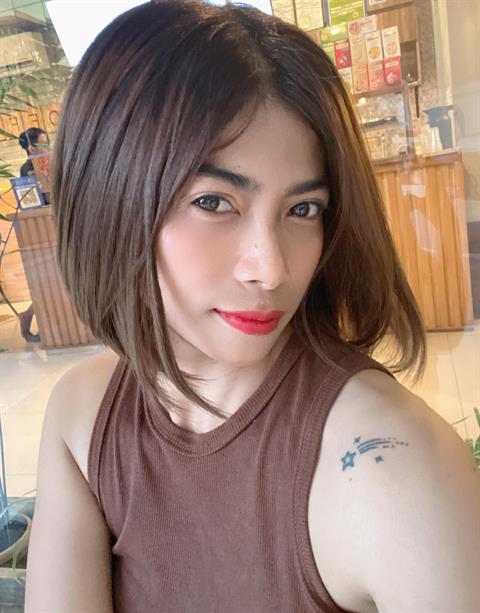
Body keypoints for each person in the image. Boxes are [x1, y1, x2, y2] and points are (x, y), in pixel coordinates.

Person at [25, 2, 480, 612]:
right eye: (214, 202)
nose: (272, 269)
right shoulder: (83, 415)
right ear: (109, 198)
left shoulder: (392, 466)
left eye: (302, 210)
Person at [16, 128, 48, 343]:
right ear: (30, 146)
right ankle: (31, 316)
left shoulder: (49, 164)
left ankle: (28, 315)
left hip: (53, 227)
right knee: (49, 284)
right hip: (41, 232)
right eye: (42, 143)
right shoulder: (28, 169)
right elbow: (34, 202)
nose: (46, 147)